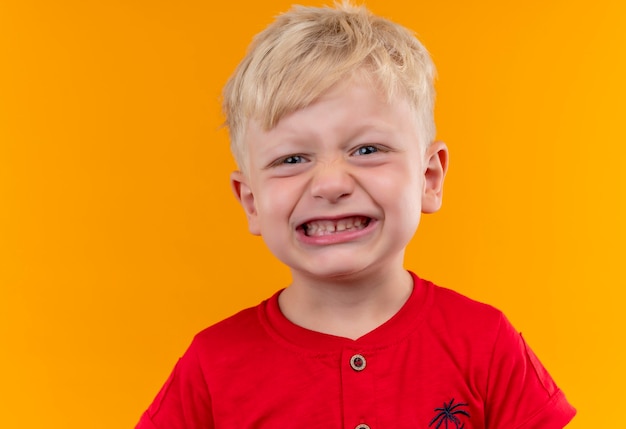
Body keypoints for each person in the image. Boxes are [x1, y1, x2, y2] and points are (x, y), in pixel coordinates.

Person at [136, 2, 576, 428]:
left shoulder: (485, 341)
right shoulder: (212, 364)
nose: (330, 184)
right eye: (291, 159)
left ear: (429, 177)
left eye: (367, 150)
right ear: (251, 202)